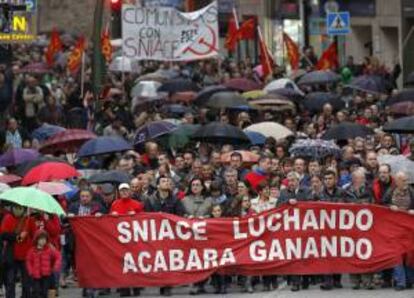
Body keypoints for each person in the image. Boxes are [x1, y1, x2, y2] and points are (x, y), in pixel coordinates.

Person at [144, 176, 185, 296]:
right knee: (159, 260)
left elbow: (180, 217)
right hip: (156, 235)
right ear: (157, 185)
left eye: (168, 181)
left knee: (169, 260)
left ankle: (167, 285)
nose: (166, 183)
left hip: (171, 235)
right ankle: (161, 282)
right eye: (163, 181)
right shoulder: (149, 200)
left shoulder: (176, 200)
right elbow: (145, 218)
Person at [383, 171, 414, 291]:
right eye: (404, 180)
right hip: (394, 228)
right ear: (397, 181)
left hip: (409, 229)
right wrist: (390, 206)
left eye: (407, 180)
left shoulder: (412, 191)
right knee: (397, 255)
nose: (406, 182)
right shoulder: (390, 191)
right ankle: (400, 282)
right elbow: (382, 204)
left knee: (409, 255)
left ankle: (409, 281)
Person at [1, 204, 37, 298]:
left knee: (26, 282)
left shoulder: (29, 219)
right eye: (16, 208)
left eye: (20, 208)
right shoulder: (8, 218)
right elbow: (4, 234)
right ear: (12, 208)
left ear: (23, 209)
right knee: (10, 281)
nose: (18, 210)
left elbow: (35, 236)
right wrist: (18, 237)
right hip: (12, 255)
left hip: (26, 255)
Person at [26, 230, 61, 298]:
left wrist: (56, 266)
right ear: (36, 239)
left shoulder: (49, 249)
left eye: (44, 239)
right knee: (36, 292)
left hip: (46, 275)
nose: (43, 241)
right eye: (41, 239)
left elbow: (58, 256)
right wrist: (30, 271)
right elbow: (28, 261)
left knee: (45, 292)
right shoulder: (32, 251)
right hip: (35, 276)